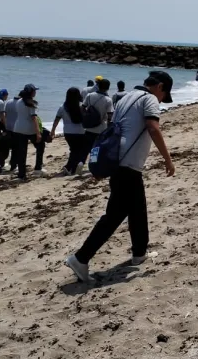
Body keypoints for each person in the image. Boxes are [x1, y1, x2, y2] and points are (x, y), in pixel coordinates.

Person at [65, 70, 177, 284]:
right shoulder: (150, 99)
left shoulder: (125, 98)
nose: (162, 100)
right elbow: (153, 128)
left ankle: (139, 253)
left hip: (119, 162)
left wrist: (103, 163)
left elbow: (112, 130)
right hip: (128, 164)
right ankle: (80, 258)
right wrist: (168, 159)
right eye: (164, 95)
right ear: (160, 87)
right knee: (114, 216)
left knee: (137, 209)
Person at [52, 87, 87, 175]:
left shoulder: (62, 107)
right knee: (78, 150)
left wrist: (52, 131)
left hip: (68, 132)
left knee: (74, 150)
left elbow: (56, 120)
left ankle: (70, 167)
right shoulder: (81, 106)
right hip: (80, 131)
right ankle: (70, 168)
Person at [12, 84, 44, 180]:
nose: (35, 92)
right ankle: (38, 168)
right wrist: (38, 133)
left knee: (22, 152)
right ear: (31, 92)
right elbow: (34, 118)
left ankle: (22, 175)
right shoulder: (31, 103)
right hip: (29, 129)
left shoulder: (18, 101)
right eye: (34, 91)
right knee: (40, 146)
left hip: (18, 128)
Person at [82, 78, 114, 167]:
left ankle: (81, 162)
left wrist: (86, 117)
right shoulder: (108, 100)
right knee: (96, 148)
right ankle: (93, 164)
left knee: (86, 147)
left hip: (89, 126)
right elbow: (110, 115)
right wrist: (109, 127)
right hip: (101, 128)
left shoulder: (89, 95)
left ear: (98, 86)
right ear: (108, 88)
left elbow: (83, 107)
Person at [4, 91, 20, 172]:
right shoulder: (20, 104)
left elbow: (5, 115)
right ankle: (13, 165)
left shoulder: (8, 102)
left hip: (8, 127)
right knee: (16, 148)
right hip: (16, 128)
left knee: (9, 146)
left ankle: (8, 163)